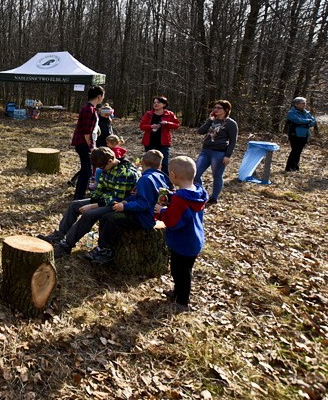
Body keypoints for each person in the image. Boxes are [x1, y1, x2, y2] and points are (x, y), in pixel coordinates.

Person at [38, 147, 140, 256]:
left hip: (119, 205)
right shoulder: (108, 167)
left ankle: (66, 246)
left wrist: (93, 206)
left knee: (89, 214)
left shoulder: (125, 173)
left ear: (110, 161)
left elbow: (117, 199)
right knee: (74, 205)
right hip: (105, 200)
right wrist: (94, 199)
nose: (102, 170)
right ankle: (59, 235)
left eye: (102, 167)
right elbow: (100, 188)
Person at [85, 149, 171, 264]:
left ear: (142, 162)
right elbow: (138, 196)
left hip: (144, 218)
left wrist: (125, 207)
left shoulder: (145, 179)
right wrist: (126, 201)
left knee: (110, 218)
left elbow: (143, 203)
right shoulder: (159, 176)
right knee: (108, 216)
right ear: (160, 165)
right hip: (146, 214)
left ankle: (105, 250)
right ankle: (102, 247)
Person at [156, 156, 208, 311]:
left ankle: (182, 302)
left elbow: (174, 222)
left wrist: (161, 212)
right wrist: (172, 196)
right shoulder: (198, 192)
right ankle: (177, 293)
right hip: (193, 240)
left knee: (181, 273)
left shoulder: (180, 199)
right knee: (181, 270)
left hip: (183, 243)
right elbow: (186, 210)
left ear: (173, 175)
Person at [194, 100, 238, 205]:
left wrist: (227, 156)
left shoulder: (231, 124)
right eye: (215, 108)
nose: (215, 110)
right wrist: (209, 121)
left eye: (219, 108)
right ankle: (201, 193)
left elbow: (233, 141)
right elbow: (200, 131)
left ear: (226, 110)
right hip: (206, 151)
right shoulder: (212, 120)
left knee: (217, 175)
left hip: (219, 153)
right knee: (195, 174)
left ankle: (214, 198)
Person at [71, 86, 104, 200]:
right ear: (99, 96)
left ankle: (80, 194)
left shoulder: (91, 109)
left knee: (87, 170)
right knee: (87, 171)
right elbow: (86, 132)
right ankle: (79, 196)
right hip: (83, 144)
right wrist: (91, 147)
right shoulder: (88, 109)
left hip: (85, 143)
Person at [139, 96, 181, 175]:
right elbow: (141, 126)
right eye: (154, 102)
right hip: (150, 142)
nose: (156, 104)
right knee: (149, 163)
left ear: (164, 104)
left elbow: (177, 125)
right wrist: (150, 126)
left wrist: (167, 123)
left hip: (163, 143)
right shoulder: (148, 114)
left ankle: (167, 183)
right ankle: (150, 179)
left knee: (164, 164)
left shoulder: (169, 114)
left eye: (158, 102)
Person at [284, 97, 317, 172]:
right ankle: (289, 168)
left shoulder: (306, 112)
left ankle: (295, 167)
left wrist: (306, 122)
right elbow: (298, 121)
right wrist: (308, 121)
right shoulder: (291, 113)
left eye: (305, 103)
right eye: (303, 103)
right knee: (295, 150)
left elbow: (313, 121)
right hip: (294, 134)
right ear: (296, 104)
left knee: (299, 151)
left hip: (304, 134)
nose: (305, 105)